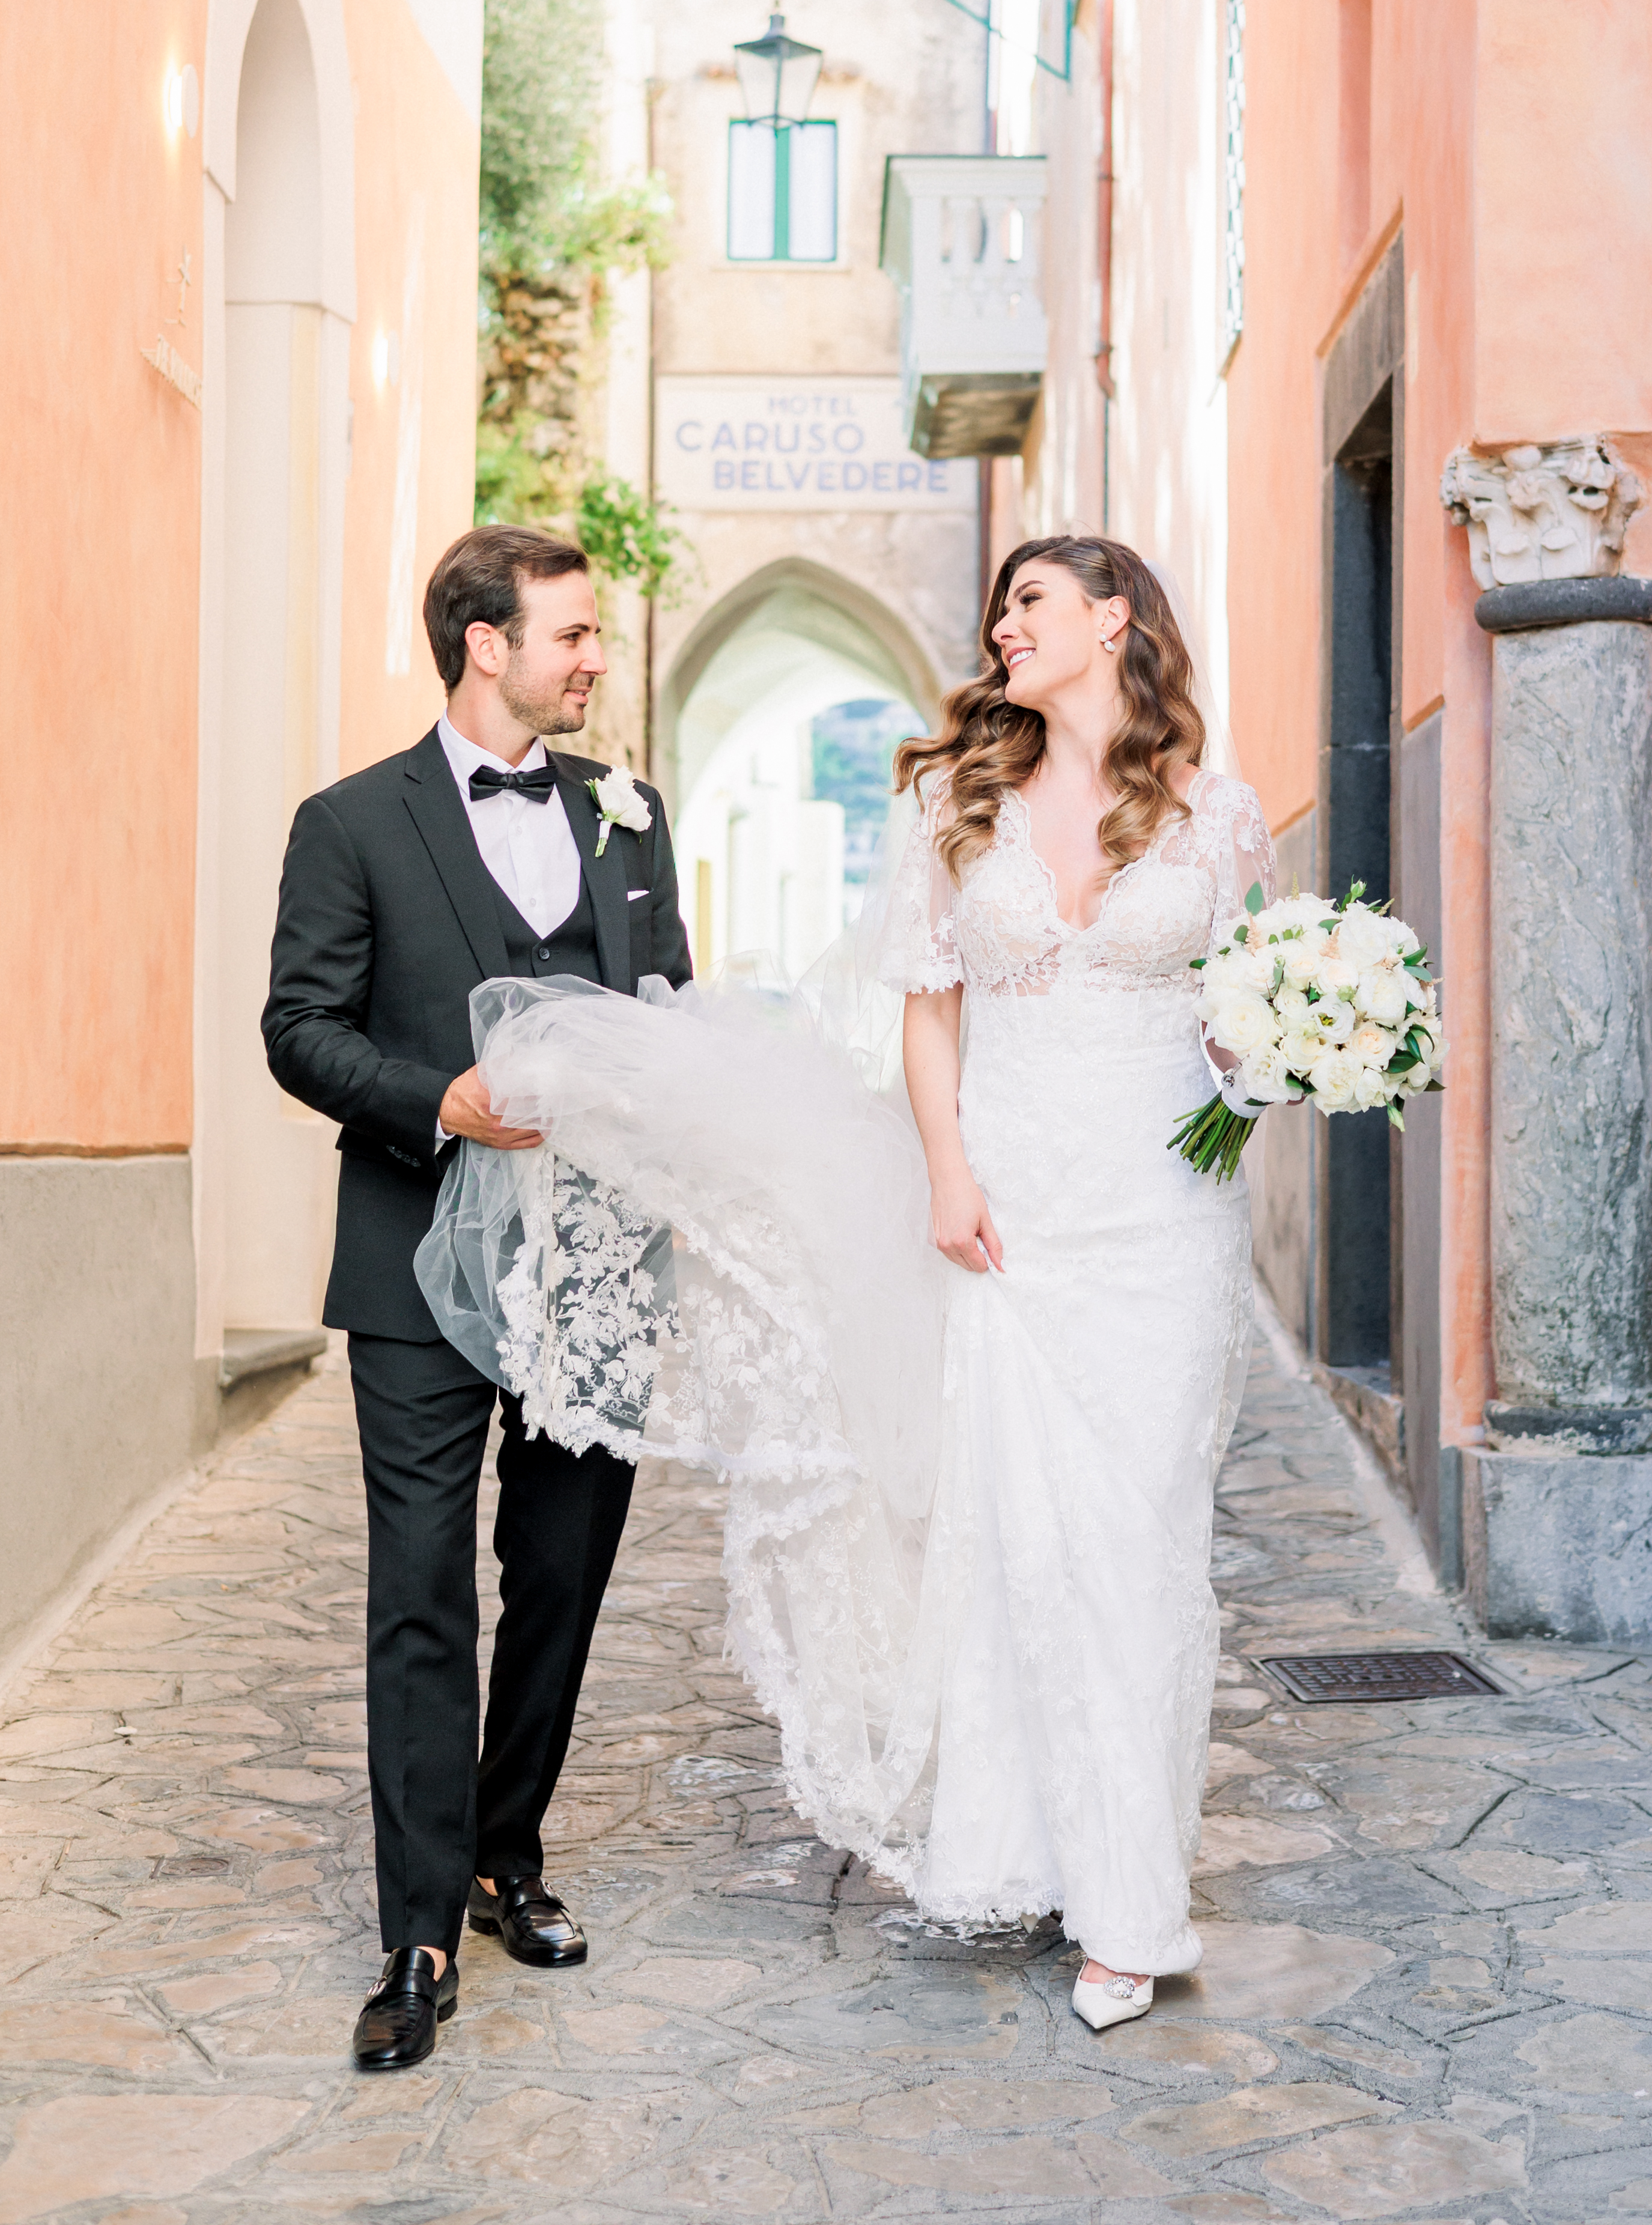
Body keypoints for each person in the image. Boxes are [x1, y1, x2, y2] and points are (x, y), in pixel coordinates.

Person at [421, 535, 1273, 2032]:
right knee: (1017, 1527)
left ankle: (1133, 1890)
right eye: (1001, 602)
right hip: (1006, 1207)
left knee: (1139, 1538)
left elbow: (1242, 998)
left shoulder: (1217, 811)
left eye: (1035, 601)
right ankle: (1034, 1852)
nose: (1006, 625)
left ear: (1114, 619)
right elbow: (927, 1018)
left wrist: (1286, 1055)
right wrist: (946, 1171)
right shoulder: (957, 800)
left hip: (1160, 1213)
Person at [263, 525, 691, 2071]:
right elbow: (297, 1028)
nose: (594, 658)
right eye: (571, 634)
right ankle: (420, 1927)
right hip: (412, 1258)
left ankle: (509, 1856)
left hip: (591, 1261)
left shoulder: (627, 817)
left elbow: (668, 1006)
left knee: (565, 1574)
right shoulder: (349, 821)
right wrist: (436, 1101)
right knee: (422, 1591)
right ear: (482, 643)